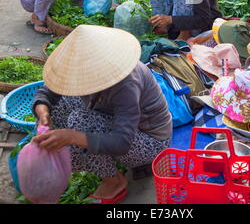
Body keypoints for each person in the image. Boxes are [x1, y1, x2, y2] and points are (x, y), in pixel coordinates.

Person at [32, 25, 172, 203]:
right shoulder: (78, 71)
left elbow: (122, 142)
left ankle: (113, 182)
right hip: (111, 118)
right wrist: (43, 113)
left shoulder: (126, 83)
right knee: (59, 105)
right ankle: (74, 155)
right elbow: (47, 92)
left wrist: (72, 137)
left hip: (149, 142)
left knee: (80, 122)